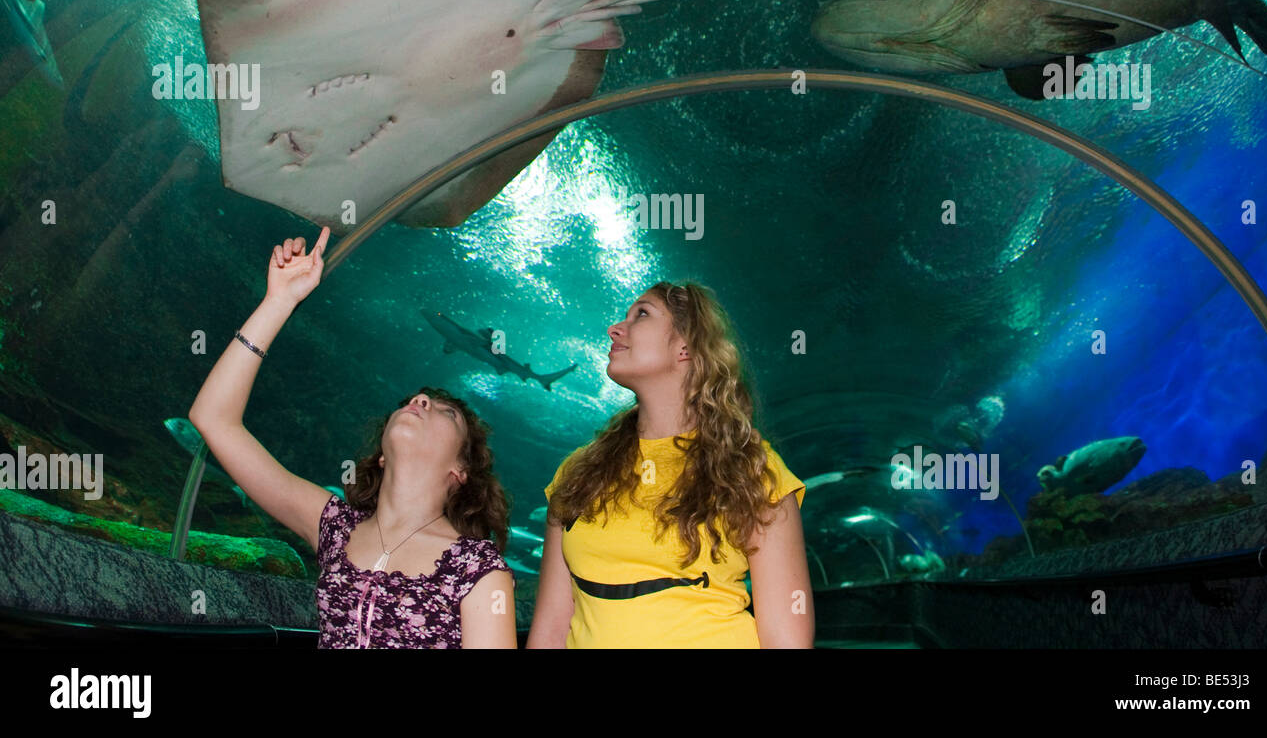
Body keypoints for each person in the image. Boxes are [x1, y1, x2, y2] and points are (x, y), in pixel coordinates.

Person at [187, 227, 515, 648]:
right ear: (380, 457)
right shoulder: (333, 527)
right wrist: (279, 301)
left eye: (445, 411)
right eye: (416, 399)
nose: (420, 400)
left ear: (461, 470)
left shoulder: (479, 572)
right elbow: (213, 417)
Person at [528, 282, 812, 648]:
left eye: (642, 314)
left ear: (686, 346)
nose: (614, 329)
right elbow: (551, 629)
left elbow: (787, 639)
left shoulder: (751, 469)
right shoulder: (578, 472)